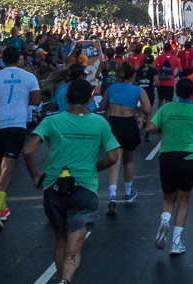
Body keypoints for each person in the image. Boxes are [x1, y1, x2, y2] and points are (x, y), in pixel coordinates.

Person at [23, 79, 120, 284]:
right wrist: (94, 168)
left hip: (54, 187)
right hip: (84, 188)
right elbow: (113, 157)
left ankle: (61, 278)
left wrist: (35, 176)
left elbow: (29, 149)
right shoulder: (100, 123)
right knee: (75, 244)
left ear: (66, 98)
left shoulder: (51, 122)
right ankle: (65, 280)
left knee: (60, 237)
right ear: (90, 99)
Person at [146, 76, 193, 256]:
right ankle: (176, 242)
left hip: (167, 156)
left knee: (168, 198)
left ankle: (164, 221)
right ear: (192, 93)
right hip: (189, 158)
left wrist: (161, 128)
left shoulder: (166, 108)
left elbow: (150, 128)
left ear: (176, 91)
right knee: (183, 200)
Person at [0, 45, 41, 230]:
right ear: (20, 60)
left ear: (3, 59)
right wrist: (19, 101)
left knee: (0, 164)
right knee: (9, 165)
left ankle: (2, 207)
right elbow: (36, 100)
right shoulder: (29, 76)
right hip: (16, 123)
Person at [101, 62, 151, 216]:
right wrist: (138, 109)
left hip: (114, 124)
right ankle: (128, 193)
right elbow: (148, 109)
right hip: (129, 125)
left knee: (114, 163)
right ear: (134, 76)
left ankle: (112, 196)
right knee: (128, 160)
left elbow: (102, 107)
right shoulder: (138, 90)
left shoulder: (111, 88)